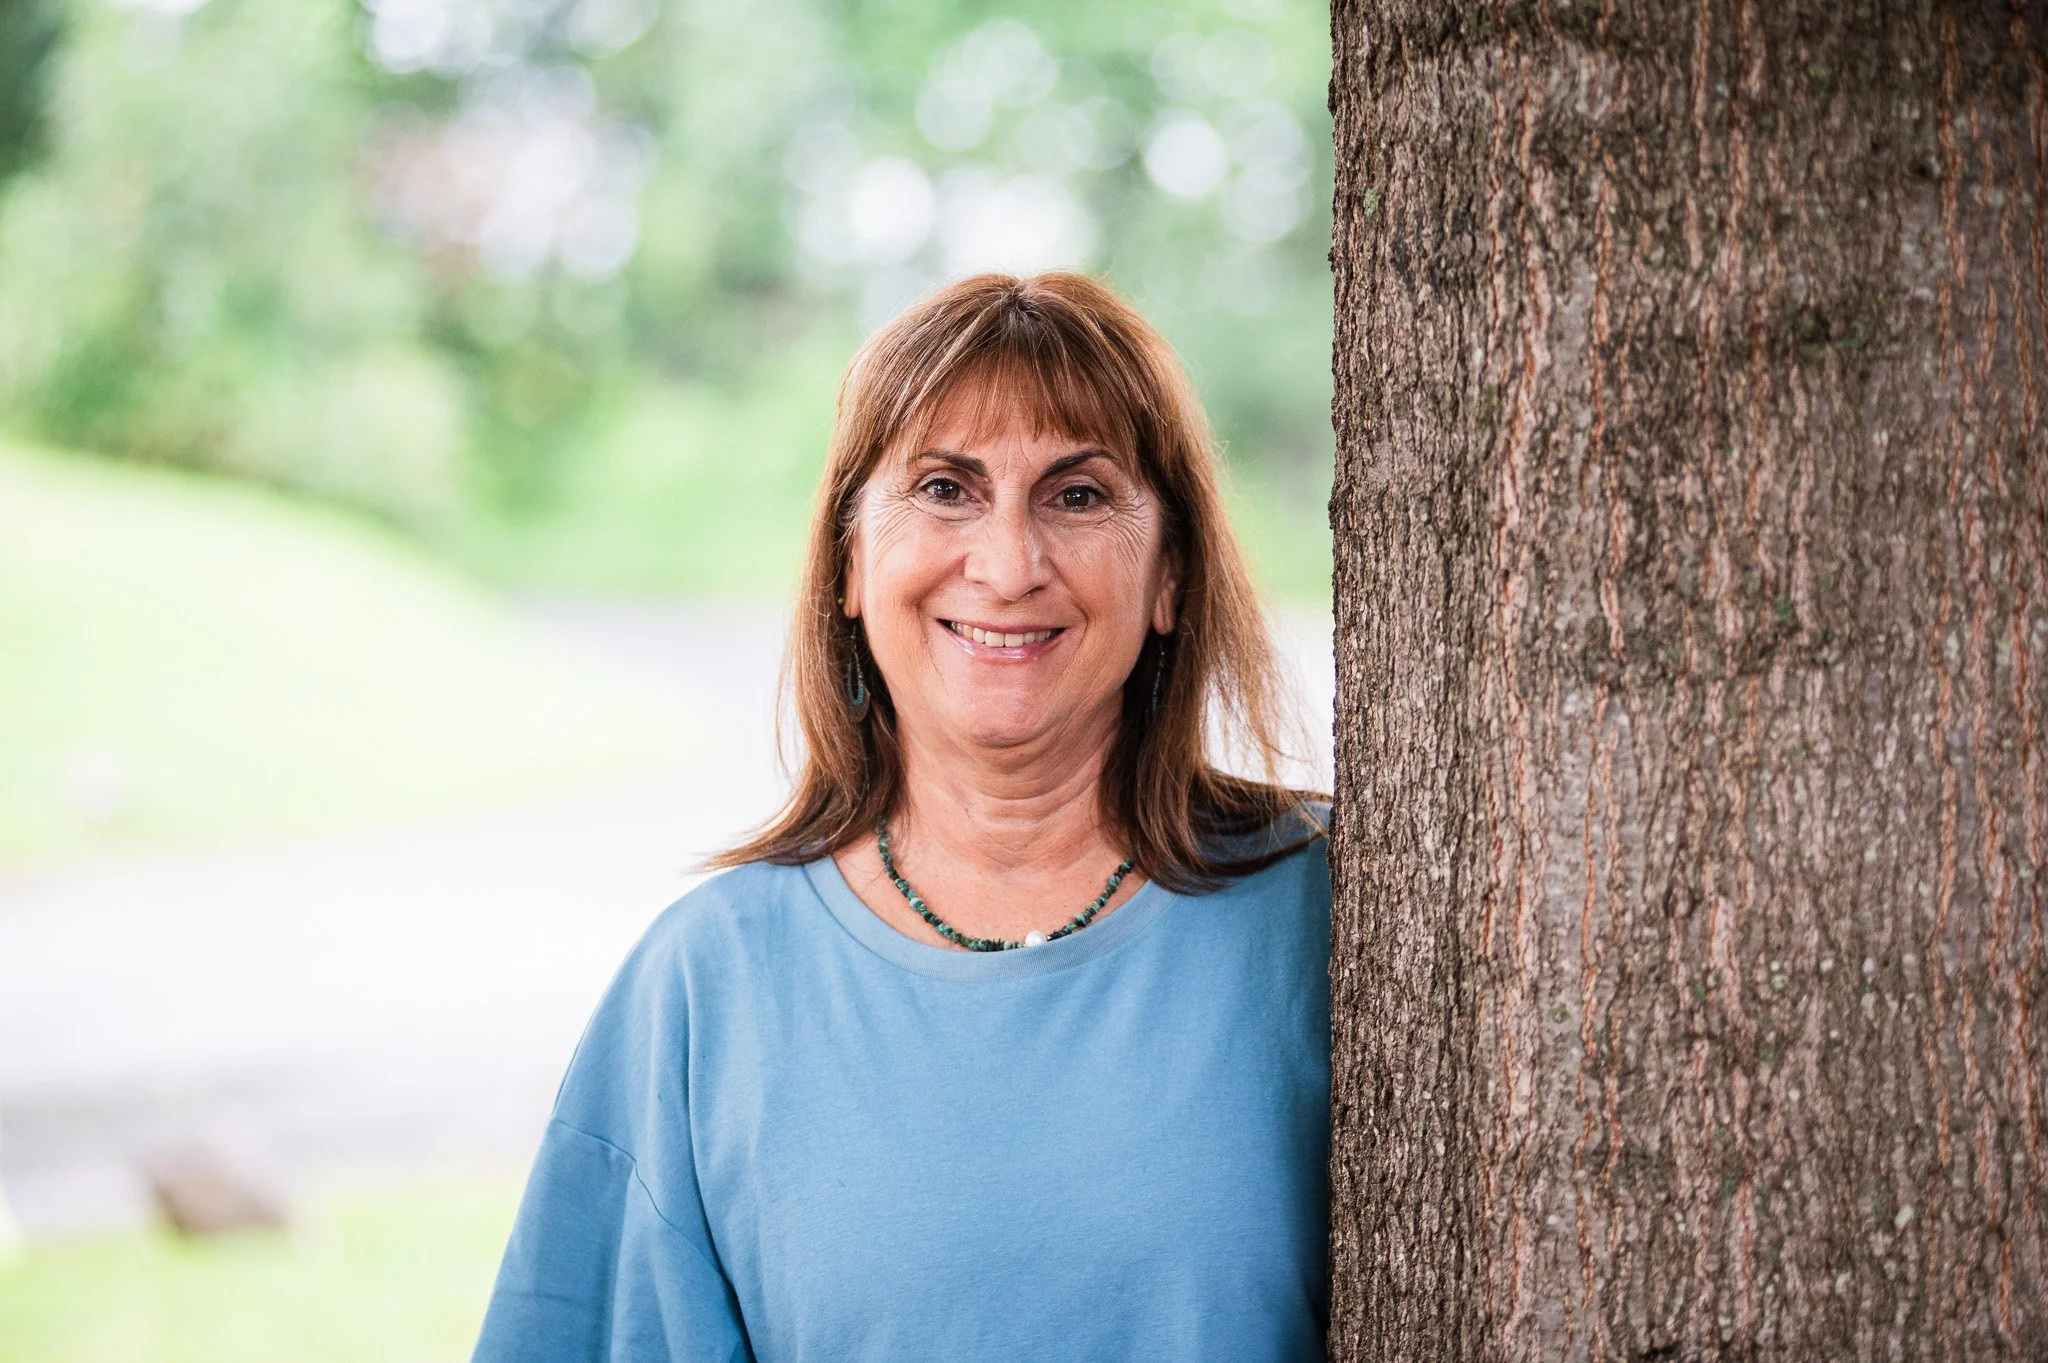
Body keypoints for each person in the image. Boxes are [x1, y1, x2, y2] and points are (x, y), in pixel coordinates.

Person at [470, 272, 1332, 1362]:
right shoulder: (706, 987)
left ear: (1169, 575)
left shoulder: (1329, 913)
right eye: (942, 489)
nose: (1008, 564)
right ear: (848, 560)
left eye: (1076, 495)